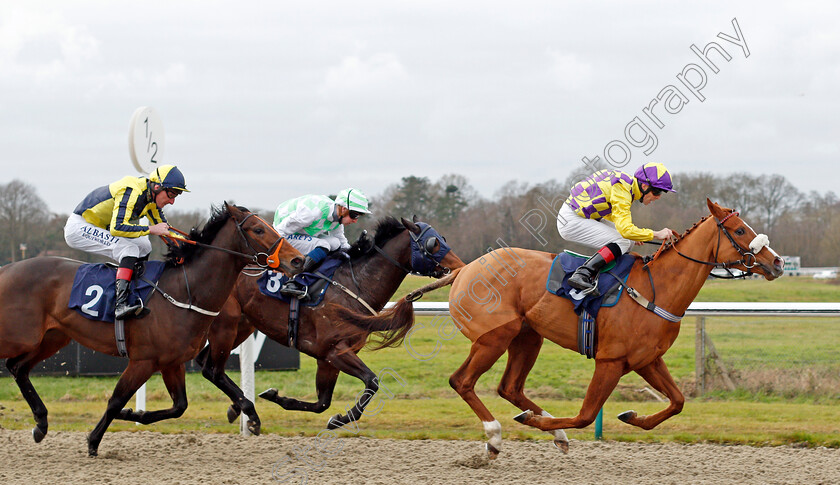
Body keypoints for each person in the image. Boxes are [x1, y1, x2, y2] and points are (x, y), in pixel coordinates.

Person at [64, 164, 188, 319]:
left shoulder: (151, 199)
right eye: (171, 194)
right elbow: (118, 228)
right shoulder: (132, 190)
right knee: (129, 250)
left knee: (144, 246)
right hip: (80, 226)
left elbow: (167, 231)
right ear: (157, 186)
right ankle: (120, 304)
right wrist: (151, 229)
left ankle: (135, 291)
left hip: (101, 227)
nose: (172, 201)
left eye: (176, 196)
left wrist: (189, 246)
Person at [557, 162, 677, 294]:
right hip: (571, 220)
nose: (658, 197)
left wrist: (635, 235)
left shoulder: (626, 186)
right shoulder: (623, 190)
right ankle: (582, 274)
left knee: (628, 241)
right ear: (644, 186)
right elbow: (625, 230)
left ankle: (610, 278)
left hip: (582, 215)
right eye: (657, 191)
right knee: (624, 241)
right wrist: (656, 234)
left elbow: (613, 217)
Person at [272, 188, 371, 297]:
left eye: (359, 216)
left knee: (335, 243)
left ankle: (317, 277)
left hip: (301, 234)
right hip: (283, 234)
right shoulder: (312, 213)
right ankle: (294, 282)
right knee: (324, 245)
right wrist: (277, 260)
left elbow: (342, 244)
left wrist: (357, 255)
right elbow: (278, 232)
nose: (355, 220)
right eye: (354, 215)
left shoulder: (336, 218)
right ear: (343, 209)